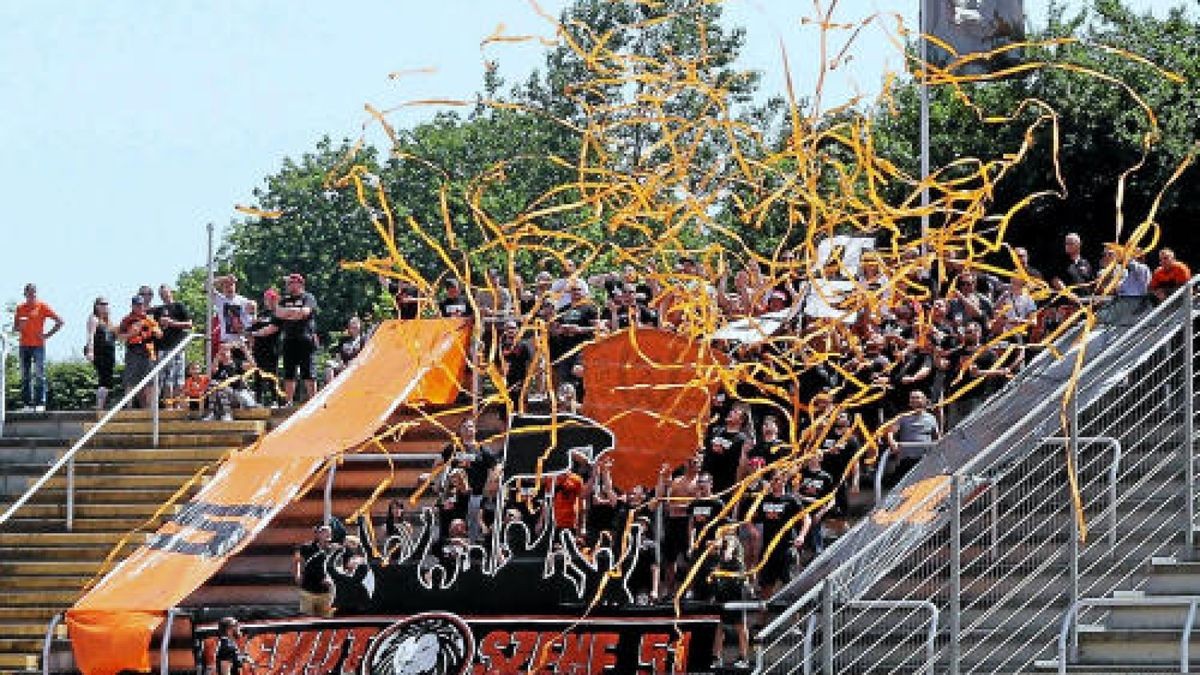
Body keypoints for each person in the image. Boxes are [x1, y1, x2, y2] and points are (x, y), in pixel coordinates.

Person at [12, 283, 63, 412]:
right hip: (24, 345)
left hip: (38, 346)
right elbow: (15, 328)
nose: (31, 295)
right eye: (29, 293)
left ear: (36, 293)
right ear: (25, 294)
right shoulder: (20, 308)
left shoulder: (42, 306)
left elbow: (60, 321)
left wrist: (47, 335)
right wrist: (20, 327)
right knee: (25, 375)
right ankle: (27, 404)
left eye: (33, 293)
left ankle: (40, 403)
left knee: (40, 374)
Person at [710, 528, 750, 670]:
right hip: (724, 585)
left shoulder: (733, 541)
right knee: (719, 623)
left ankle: (744, 657)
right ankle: (716, 656)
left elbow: (729, 548)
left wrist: (726, 552)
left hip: (737, 586)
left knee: (739, 624)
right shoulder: (720, 543)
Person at [275, 272, 319, 403]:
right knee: (289, 373)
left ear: (299, 283)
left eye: (290, 283)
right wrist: (295, 313)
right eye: (288, 283)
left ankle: (313, 401)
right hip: (289, 339)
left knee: (308, 372)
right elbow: (278, 313)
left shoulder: (308, 297)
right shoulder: (284, 299)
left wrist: (288, 313)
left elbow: (305, 312)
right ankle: (288, 402)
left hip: (305, 338)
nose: (288, 285)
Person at [152, 284, 193, 410]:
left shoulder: (179, 306)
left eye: (166, 293)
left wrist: (172, 323)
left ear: (171, 292)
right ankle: (168, 406)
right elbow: (152, 325)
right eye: (161, 294)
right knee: (165, 379)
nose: (164, 296)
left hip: (177, 348)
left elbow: (189, 324)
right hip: (163, 348)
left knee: (178, 378)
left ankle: (177, 406)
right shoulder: (157, 310)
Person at [118, 294, 162, 409]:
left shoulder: (149, 319)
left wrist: (156, 331)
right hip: (133, 352)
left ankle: (151, 408)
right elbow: (120, 336)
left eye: (141, 305)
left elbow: (159, 334)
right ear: (132, 306)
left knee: (150, 381)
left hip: (148, 353)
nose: (139, 307)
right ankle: (129, 407)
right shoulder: (127, 320)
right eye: (137, 305)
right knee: (131, 380)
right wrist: (131, 334)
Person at [294, 524, 338, 617]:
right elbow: (297, 560)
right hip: (308, 589)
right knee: (306, 617)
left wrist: (331, 579)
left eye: (329, 534)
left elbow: (337, 566)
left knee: (326, 618)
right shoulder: (306, 547)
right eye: (324, 534)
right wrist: (297, 573)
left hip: (325, 591)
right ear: (318, 534)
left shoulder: (333, 549)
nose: (327, 536)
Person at [248, 290, 281, 406]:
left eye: (272, 299)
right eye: (267, 299)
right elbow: (250, 331)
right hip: (258, 349)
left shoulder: (278, 313)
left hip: (272, 348)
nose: (269, 301)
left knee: (272, 374)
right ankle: (258, 400)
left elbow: (273, 329)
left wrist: (256, 333)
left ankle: (275, 400)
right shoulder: (261, 314)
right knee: (258, 374)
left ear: (276, 299)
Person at [84, 297, 117, 410]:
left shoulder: (108, 321)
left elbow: (115, 335)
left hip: (109, 353)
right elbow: (90, 336)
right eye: (102, 304)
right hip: (100, 352)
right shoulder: (94, 319)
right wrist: (90, 351)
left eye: (106, 304)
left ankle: (101, 404)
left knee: (107, 380)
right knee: (104, 379)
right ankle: (99, 405)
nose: (105, 306)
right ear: (96, 306)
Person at [209, 275, 252, 358]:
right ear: (223, 288)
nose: (229, 288)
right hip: (226, 342)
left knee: (243, 369)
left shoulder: (244, 301)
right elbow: (207, 286)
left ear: (235, 286)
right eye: (226, 286)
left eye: (231, 285)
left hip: (241, 342)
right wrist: (223, 278)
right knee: (227, 368)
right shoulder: (220, 299)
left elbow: (250, 322)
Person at [326, 316, 365, 385]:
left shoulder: (363, 340)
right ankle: (330, 388)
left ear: (360, 327)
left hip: (355, 365)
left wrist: (352, 362)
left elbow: (363, 355)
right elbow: (338, 353)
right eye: (351, 325)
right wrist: (340, 362)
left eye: (355, 325)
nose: (353, 328)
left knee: (350, 367)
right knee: (329, 367)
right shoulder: (343, 339)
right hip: (343, 364)